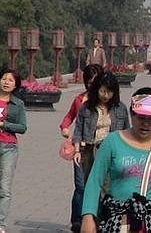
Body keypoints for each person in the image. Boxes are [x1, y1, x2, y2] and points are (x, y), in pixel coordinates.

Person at [80, 89, 151, 233]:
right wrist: (88, 216)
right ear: (132, 114)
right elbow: (95, 181)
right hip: (118, 219)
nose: (146, 123)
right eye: (141, 117)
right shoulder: (112, 142)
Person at [59, 64, 103, 233]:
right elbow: (69, 117)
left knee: (98, 186)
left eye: (96, 81)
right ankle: (77, 220)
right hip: (81, 148)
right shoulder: (79, 100)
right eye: (90, 82)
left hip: (100, 149)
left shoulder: (107, 101)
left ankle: (95, 219)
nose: (93, 85)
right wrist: (65, 128)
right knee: (81, 186)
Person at [73, 72, 130, 183]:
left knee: (107, 186)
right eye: (103, 91)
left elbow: (127, 130)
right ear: (96, 90)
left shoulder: (120, 108)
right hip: (90, 150)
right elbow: (78, 130)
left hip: (112, 152)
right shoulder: (86, 107)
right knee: (87, 184)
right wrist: (77, 151)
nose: (106, 96)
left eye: (109, 92)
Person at [0, 69, 27, 232]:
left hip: (8, 147)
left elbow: (23, 127)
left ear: (15, 84)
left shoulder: (18, 104)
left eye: (10, 80)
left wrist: (5, 125)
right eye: (3, 78)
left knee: (4, 188)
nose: (6, 82)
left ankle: (1, 223)